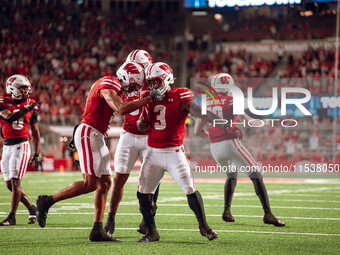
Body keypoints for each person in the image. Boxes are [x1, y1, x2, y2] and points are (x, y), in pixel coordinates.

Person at [36, 61, 165, 242]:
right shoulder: (109, 83)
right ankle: (47, 201)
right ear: (127, 77)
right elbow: (120, 109)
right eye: (134, 84)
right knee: (90, 183)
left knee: (104, 183)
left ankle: (97, 229)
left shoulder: (116, 87)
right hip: (89, 132)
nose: (132, 89)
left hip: (96, 134)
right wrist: (149, 98)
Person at [136, 62, 221, 242]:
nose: (152, 86)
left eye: (156, 82)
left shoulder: (180, 94)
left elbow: (197, 111)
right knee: (143, 192)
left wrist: (213, 117)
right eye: (150, 83)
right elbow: (141, 126)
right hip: (152, 152)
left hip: (174, 152)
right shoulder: (146, 96)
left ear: (167, 79)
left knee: (189, 188)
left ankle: (204, 227)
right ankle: (152, 232)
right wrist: (145, 108)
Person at [194, 73, 285, 227]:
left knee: (231, 175)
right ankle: (268, 213)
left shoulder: (206, 102)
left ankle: (227, 211)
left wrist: (213, 135)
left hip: (215, 147)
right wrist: (264, 123)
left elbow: (197, 131)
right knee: (256, 174)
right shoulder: (231, 99)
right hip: (230, 143)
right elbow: (246, 121)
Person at [104, 50, 160, 236]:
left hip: (149, 136)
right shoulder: (124, 81)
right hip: (128, 134)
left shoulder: (155, 81)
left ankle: (147, 219)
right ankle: (111, 217)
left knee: (152, 180)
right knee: (118, 179)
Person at [0, 74, 41, 226]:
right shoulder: (3, 102)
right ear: (11, 88)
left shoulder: (31, 106)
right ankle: (32, 209)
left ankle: (12, 216)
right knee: (9, 185)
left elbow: (35, 132)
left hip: (21, 145)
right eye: (21, 88)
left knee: (16, 182)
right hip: (7, 146)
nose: (25, 91)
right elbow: (8, 117)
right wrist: (26, 109)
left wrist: (36, 153)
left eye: (26, 88)